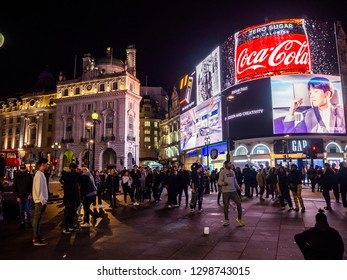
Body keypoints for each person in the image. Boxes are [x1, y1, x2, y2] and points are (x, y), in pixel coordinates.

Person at [218, 160, 244, 227]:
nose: (231, 165)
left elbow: (235, 181)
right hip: (225, 192)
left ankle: (239, 218)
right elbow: (219, 182)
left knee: (239, 203)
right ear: (226, 165)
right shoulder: (222, 172)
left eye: (231, 164)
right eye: (229, 164)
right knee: (226, 206)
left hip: (233, 191)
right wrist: (224, 183)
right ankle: (226, 220)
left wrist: (239, 188)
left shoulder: (233, 172)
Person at [32, 158, 49, 246]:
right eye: (47, 164)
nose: (48, 165)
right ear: (42, 164)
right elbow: (39, 190)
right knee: (37, 219)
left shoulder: (41, 174)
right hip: (40, 201)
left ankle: (37, 235)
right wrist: (43, 201)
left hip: (40, 201)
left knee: (38, 220)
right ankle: (36, 238)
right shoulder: (39, 175)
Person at [59, 162, 80, 234]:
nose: (76, 170)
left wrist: (64, 185)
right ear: (72, 168)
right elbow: (74, 178)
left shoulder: (68, 174)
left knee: (72, 212)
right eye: (75, 168)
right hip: (69, 196)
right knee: (68, 212)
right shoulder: (68, 175)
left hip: (72, 195)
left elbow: (61, 180)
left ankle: (71, 226)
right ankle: (65, 227)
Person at [13, 164, 33, 229]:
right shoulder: (16, 176)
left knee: (28, 210)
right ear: (20, 169)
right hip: (20, 196)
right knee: (21, 210)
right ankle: (22, 223)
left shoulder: (29, 175)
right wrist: (17, 196)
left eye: (23, 169)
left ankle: (29, 222)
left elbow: (32, 186)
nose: (22, 170)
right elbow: (14, 187)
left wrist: (31, 194)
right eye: (22, 169)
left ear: (25, 169)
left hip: (27, 195)